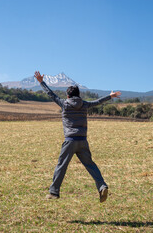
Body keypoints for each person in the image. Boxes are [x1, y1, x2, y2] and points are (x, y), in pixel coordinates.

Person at [34, 71, 121, 203]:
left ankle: (54, 192)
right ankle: (102, 186)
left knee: (61, 166)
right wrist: (110, 96)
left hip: (70, 141)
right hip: (82, 140)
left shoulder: (64, 103)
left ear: (68, 95)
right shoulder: (84, 104)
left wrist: (41, 82)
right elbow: (97, 102)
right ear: (78, 95)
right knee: (90, 165)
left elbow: (50, 94)